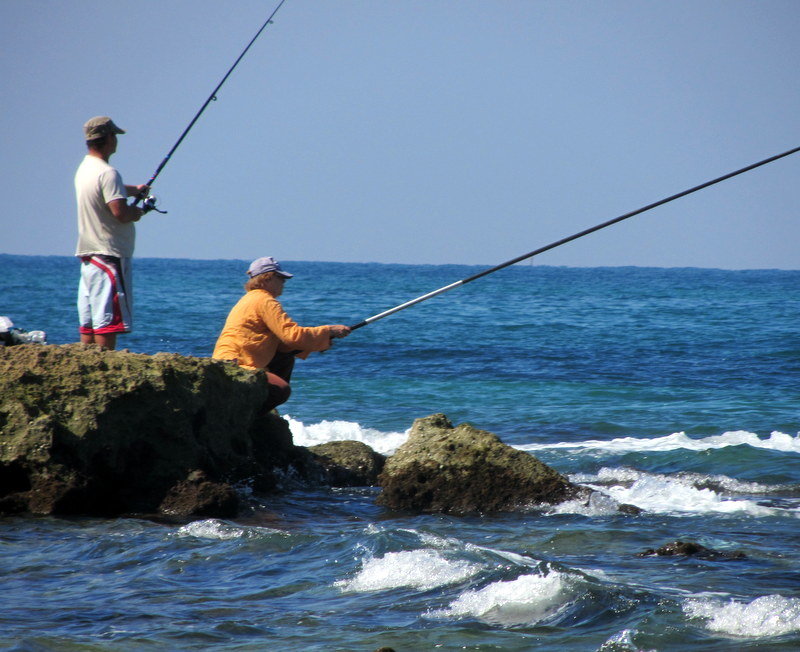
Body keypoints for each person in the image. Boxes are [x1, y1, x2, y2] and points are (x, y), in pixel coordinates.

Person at [213, 256, 351, 411]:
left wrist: (321, 340)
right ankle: (249, 416)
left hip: (226, 360)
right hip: (236, 363)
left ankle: (253, 413)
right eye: (280, 278)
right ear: (267, 278)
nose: (284, 283)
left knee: (287, 357)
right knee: (281, 390)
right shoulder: (265, 301)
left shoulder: (250, 299)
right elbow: (291, 335)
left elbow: (284, 344)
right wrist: (329, 331)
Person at [75, 116, 150, 350]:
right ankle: (106, 368)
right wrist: (138, 212)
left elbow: (104, 190)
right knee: (107, 323)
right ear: (108, 139)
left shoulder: (85, 169)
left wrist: (133, 189)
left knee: (90, 324)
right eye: (114, 136)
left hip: (89, 256)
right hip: (109, 254)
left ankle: (87, 368)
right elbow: (120, 213)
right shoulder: (109, 173)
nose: (116, 140)